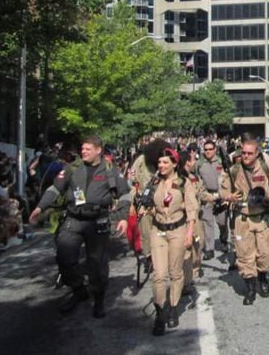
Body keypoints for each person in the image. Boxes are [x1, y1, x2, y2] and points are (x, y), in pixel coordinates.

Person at [28, 135, 130, 317]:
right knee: (64, 257)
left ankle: (98, 300)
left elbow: (124, 195)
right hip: (74, 218)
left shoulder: (110, 171)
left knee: (97, 265)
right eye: (82, 149)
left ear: (98, 150)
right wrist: (40, 207)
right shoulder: (72, 169)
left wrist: (123, 217)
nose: (83, 152)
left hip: (97, 221)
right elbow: (54, 189)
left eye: (88, 149)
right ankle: (78, 290)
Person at [136, 148, 197, 335]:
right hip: (158, 231)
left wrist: (189, 233)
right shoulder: (154, 183)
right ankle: (160, 313)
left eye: (165, 162)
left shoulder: (184, 182)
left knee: (175, 273)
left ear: (174, 164)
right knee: (159, 275)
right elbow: (152, 206)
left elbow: (192, 209)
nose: (161, 166)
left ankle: (173, 307)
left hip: (178, 230)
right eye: (160, 162)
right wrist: (145, 210)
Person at [220, 133, 269, 305]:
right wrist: (229, 196)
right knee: (245, 255)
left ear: (257, 153)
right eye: (244, 153)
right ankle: (250, 287)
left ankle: (262, 277)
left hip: (262, 217)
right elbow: (223, 190)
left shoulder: (265, 167)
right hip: (242, 218)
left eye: (250, 153)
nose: (246, 156)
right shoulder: (234, 170)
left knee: (266, 253)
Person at [128, 138, 167, 272]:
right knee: (145, 230)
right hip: (143, 201)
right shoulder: (140, 161)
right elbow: (132, 181)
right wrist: (134, 199)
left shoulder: (166, 160)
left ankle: (162, 254)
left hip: (162, 201)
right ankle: (149, 257)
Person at [183, 145, 210, 293]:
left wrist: (219, 197)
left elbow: (202, 194)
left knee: (198, 245)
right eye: (193, 160)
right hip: (183, 221)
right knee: (186, 250)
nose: (195, 163)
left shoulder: (195, 178)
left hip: (197, 218)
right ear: (186, 162)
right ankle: (186, 280)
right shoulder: (178, 180)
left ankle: (194, 271)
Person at [197, 139, 224, 258]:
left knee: (222, 222)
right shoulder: (199, 164)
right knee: (207, 222)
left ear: (215, 150)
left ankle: (223, 240)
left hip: (220, 196)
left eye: (210, 149)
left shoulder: (221, 162)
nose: (207, 152)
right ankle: (209, 249)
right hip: (207, 196)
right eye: (205, 149)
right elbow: (197, 181)